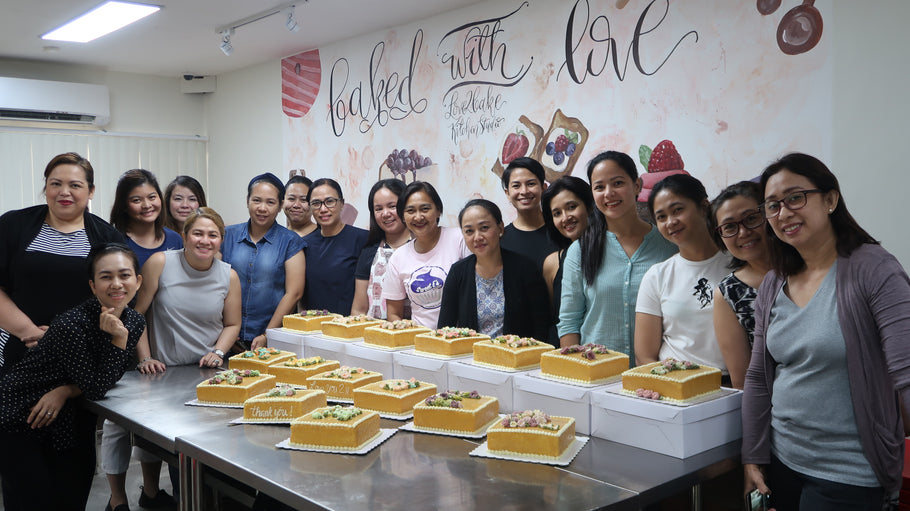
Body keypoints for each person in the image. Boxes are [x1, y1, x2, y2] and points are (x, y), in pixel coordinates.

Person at [742, 153, 910, 509]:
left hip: (849, 471)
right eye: (772, 206)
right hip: (783, 459)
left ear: (830, 199)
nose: (784, 213)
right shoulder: (774, 282)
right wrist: (753, 454)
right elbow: (758, 376)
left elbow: (906, 369)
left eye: (795, 197)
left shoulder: (875, 270)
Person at [101, 208, 241, 511]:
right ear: (185, 235)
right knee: (119, 426)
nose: (205, 240)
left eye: (212, 235)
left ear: (221, 240)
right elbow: (137, 314)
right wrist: (146, 356)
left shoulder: (228, 274)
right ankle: (118, 499)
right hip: (158, 367)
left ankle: (171, 497)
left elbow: (232, 324)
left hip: (202, 372)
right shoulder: (161, 262)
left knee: (185, 439)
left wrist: (218, 352)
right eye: (198, 233)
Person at [0, 243, 145, 511]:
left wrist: (65, 390)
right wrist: (118, 339)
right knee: (32, 502)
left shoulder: (134, 322)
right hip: (23, 413)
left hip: (71, 414)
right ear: (92, 286)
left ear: (137, 281)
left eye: (124, 275)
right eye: (105, 277)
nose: (116, 284)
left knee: (72, 498)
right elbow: (95, 387)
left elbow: (108, 377)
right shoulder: (72, 324)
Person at [0, 152, 125, 373]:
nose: (64, 192)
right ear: (46, 187)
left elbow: (116, 299)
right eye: (55, 184)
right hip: (15, 346)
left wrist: (60, 337)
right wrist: (30, 331)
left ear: (91, 191)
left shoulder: (108, 238)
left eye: (75, 185)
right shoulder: (13, 224)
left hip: (78, 352)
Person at [559, 151, 676, 360]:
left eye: (618, 183)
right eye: (599, 187)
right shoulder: (580, 250)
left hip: (658, 372)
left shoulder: (668, 245)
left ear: (637, 186)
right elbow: (569, 321)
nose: (608, 193)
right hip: (596, 373)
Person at [634, 173, 729, 372]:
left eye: (677, 210)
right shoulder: (657, 276)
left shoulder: (739, 264)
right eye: (661, 217)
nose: (670, 222)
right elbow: (644, 356)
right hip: (676, 386)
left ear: (704, 207)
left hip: (733, 385)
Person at [438, 199, 550, 342]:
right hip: (470, 360)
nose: (477, 237)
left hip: (517, 358)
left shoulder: (525, 268)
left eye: (484, 227)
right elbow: (445, 329)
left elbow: (542, 326)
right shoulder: (457, 272)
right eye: (469, 231)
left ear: (501, 228)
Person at [222, 173, 305, 350]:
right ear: (247, 201)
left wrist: (268, 334)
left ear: (280, 205)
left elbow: (294, 293)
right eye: (256, 200)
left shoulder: (291, 241)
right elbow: (213, 284)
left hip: (269, 342)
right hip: (225, 336)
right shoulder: (227, 235)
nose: (262, 208)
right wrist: (225, 330)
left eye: (270, 202)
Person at [383, 181, 471, 328]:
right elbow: (393, 314)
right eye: (410, 211)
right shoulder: (398, 258)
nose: (418, 217)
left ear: (438, 211)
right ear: (403, 216)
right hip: (420, 343)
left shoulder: (459, 239)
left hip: (460, 339)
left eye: (425, 209)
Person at [711, 181, 770, 389]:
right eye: (730, 227)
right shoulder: (729, 293)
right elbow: (743, 381)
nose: (743, 232)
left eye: (751, 219)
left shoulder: (809, 269)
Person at [302, 178, 368, 315]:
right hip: (313, 327)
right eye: (316, 203)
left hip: (348, 326)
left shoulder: (362, 239)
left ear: (342, 204)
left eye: (330, 201)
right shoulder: (304, 244)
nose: (323, 209)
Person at [540, 177, 594, 343]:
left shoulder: (611, 253)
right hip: (563, 352)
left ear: (589, 206)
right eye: (557, 213)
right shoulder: (552, 263)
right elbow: (554, 318)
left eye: (571, 207)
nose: (565, 218)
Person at [351, 179, 410, 318]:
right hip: (376, 335)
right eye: (378, 209)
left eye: (392, 206)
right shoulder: (369, 252)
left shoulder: (421, 247)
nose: (385, 213)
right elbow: (358, 310)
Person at [110, 169, 184, 268]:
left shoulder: (175, 239)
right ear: (124, 205)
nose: (147, 205)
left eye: (152, 197)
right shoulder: (115, 242)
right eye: (137, 200)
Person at [499, 157, 558, 270]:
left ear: (543, 188)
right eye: (516, 186)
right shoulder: (501, 241)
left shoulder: (561, 228)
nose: (524, 191)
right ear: (507, 193)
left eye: (531, 184)